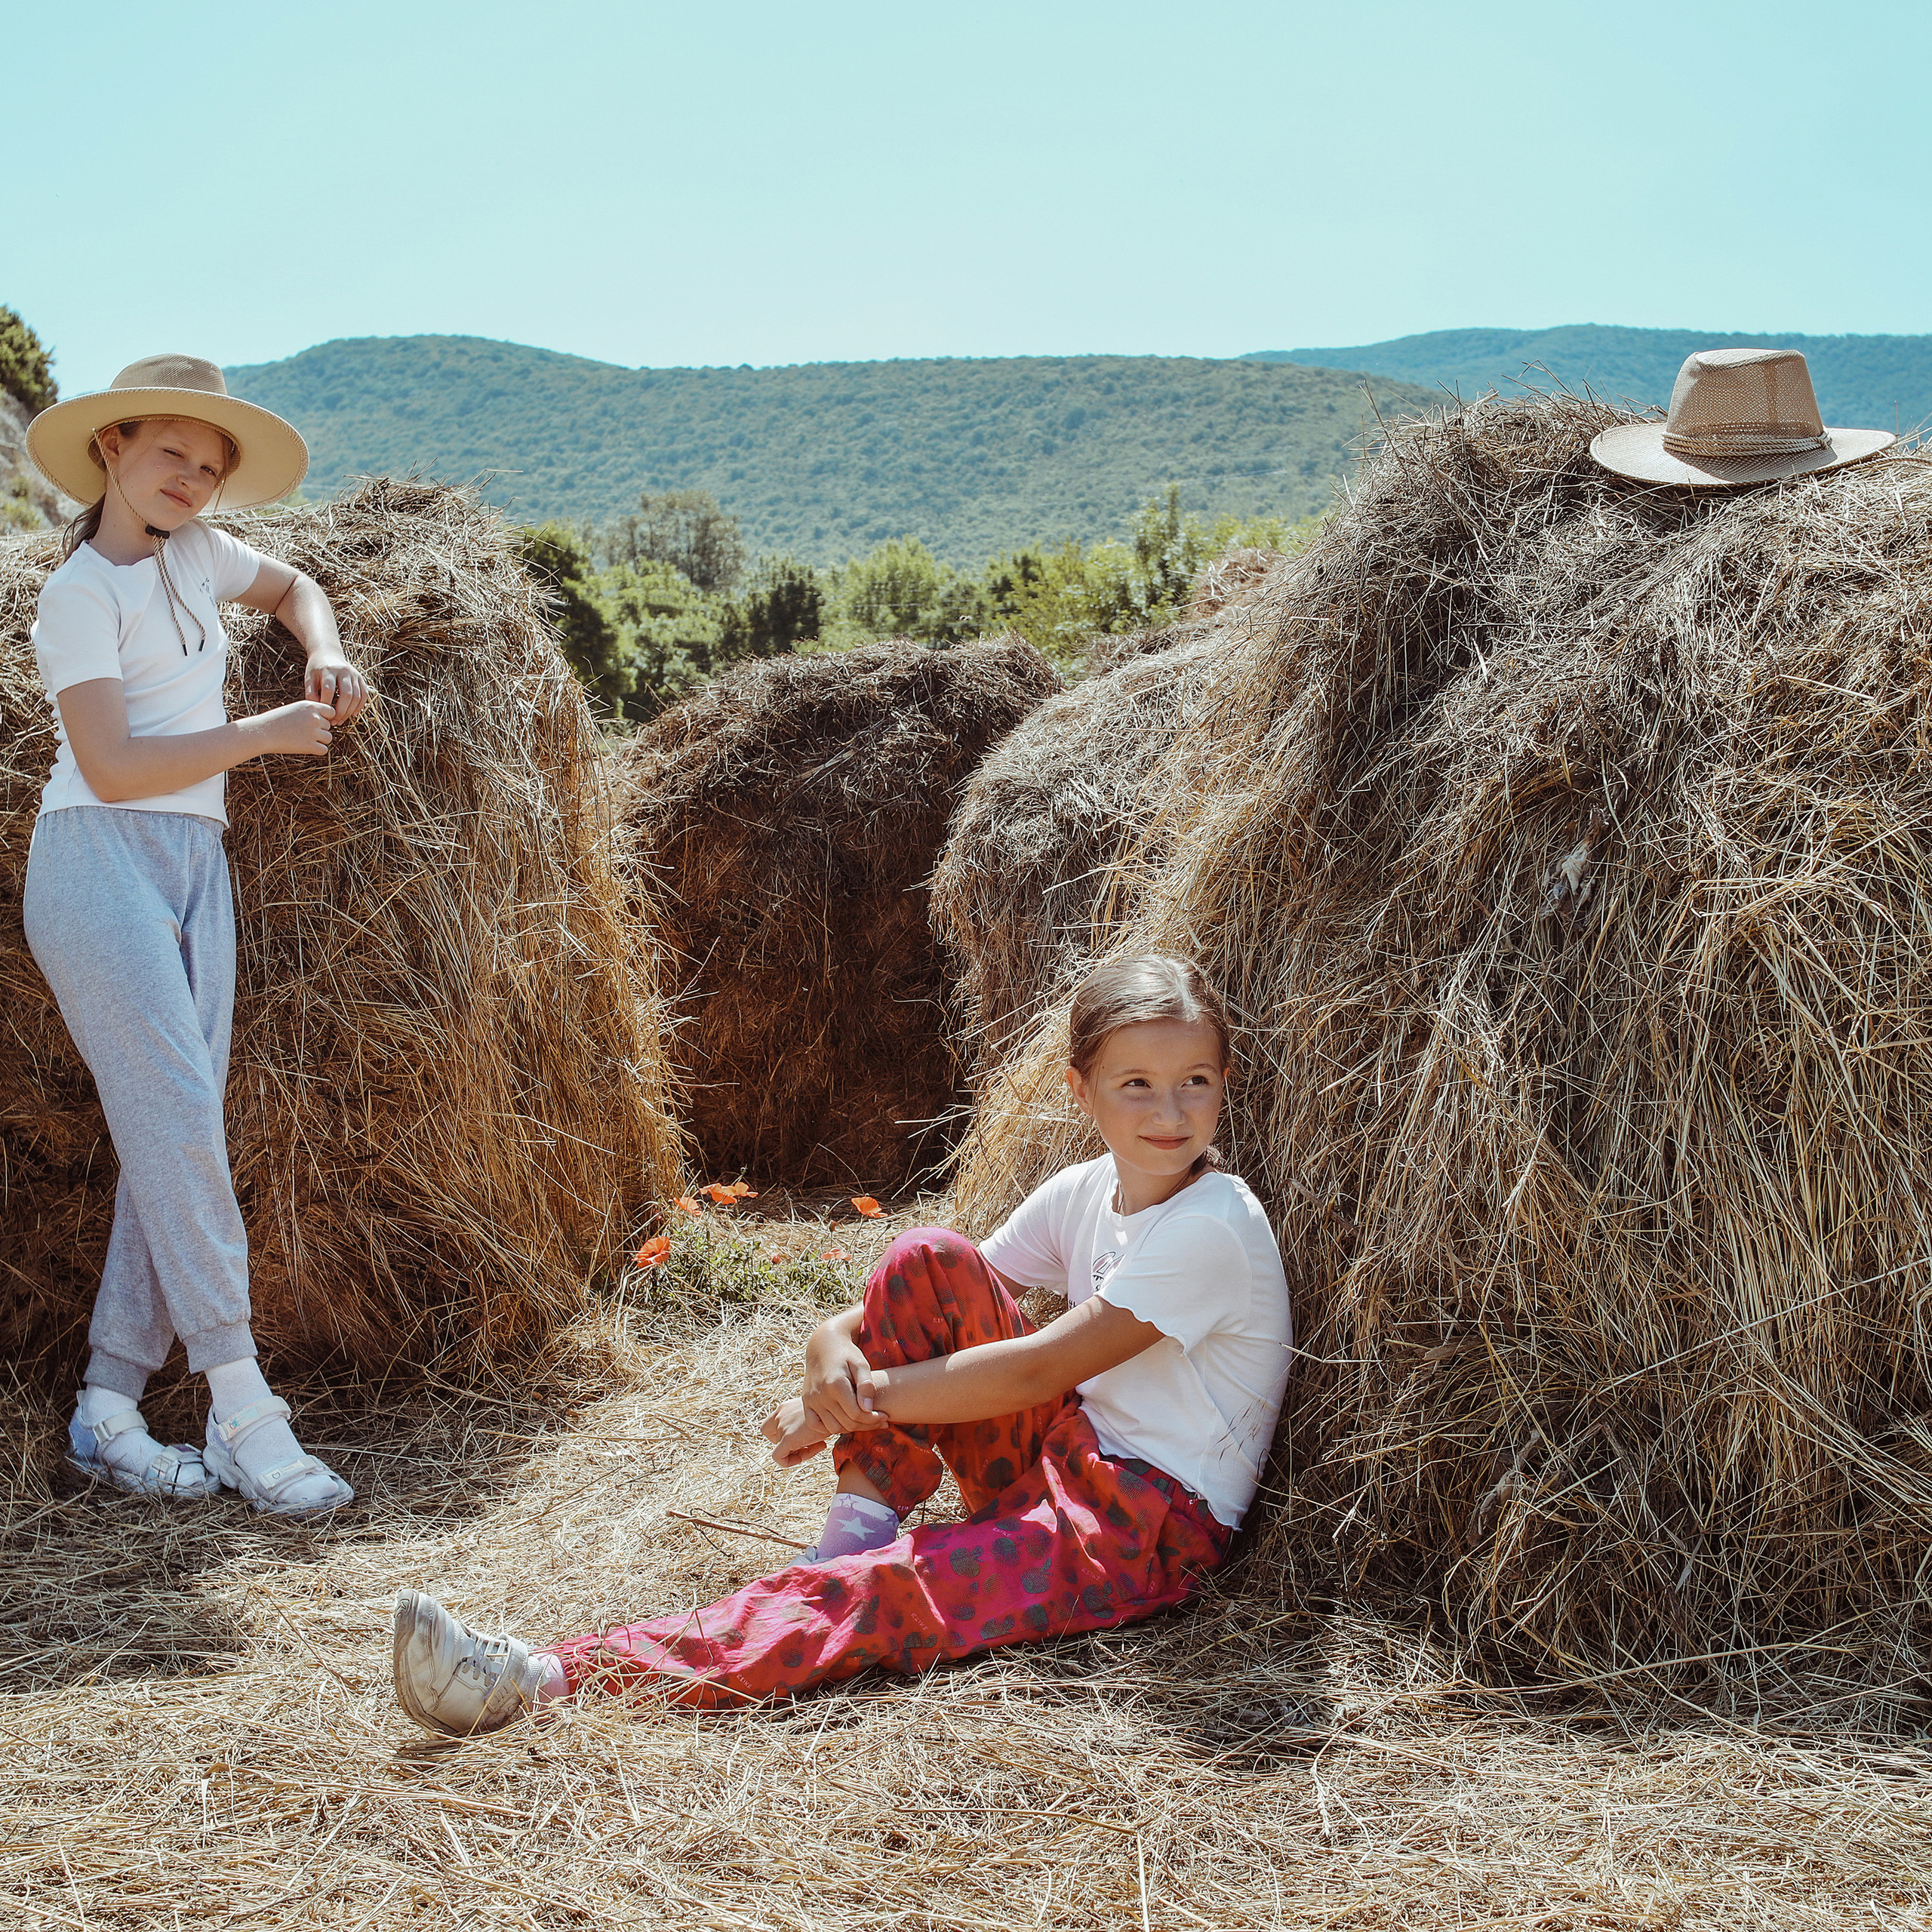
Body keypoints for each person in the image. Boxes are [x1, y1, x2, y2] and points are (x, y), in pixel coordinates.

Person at [392, 953, 1294, 1734]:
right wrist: (827, 1345)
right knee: (923, 1255)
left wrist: (843, 1406)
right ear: (1079, 1088)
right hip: (1063, 1452)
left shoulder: (1213, 1223)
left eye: (1195, 1080)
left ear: (1224, 1081)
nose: (1169, 1109)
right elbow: (935, 1291)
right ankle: (846, 1541)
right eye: (1136, 1083)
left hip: (1142, 1526)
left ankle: (543, 1679)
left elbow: (1039, 1366)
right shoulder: (1089, 1187)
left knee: (892, 1593)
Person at [25, 354, 366, 1515]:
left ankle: (109, 1407)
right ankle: (243, 1408)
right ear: (111, 448)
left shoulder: (198, 557)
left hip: (192, 865)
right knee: (176, 1121)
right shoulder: (79, 597)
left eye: (211, 467)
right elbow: (114, 765)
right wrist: (263, 732)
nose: (192, 478)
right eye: (171, 452)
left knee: (171, 1131)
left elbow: (295, 584)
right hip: (96, 861)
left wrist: (324, 646)